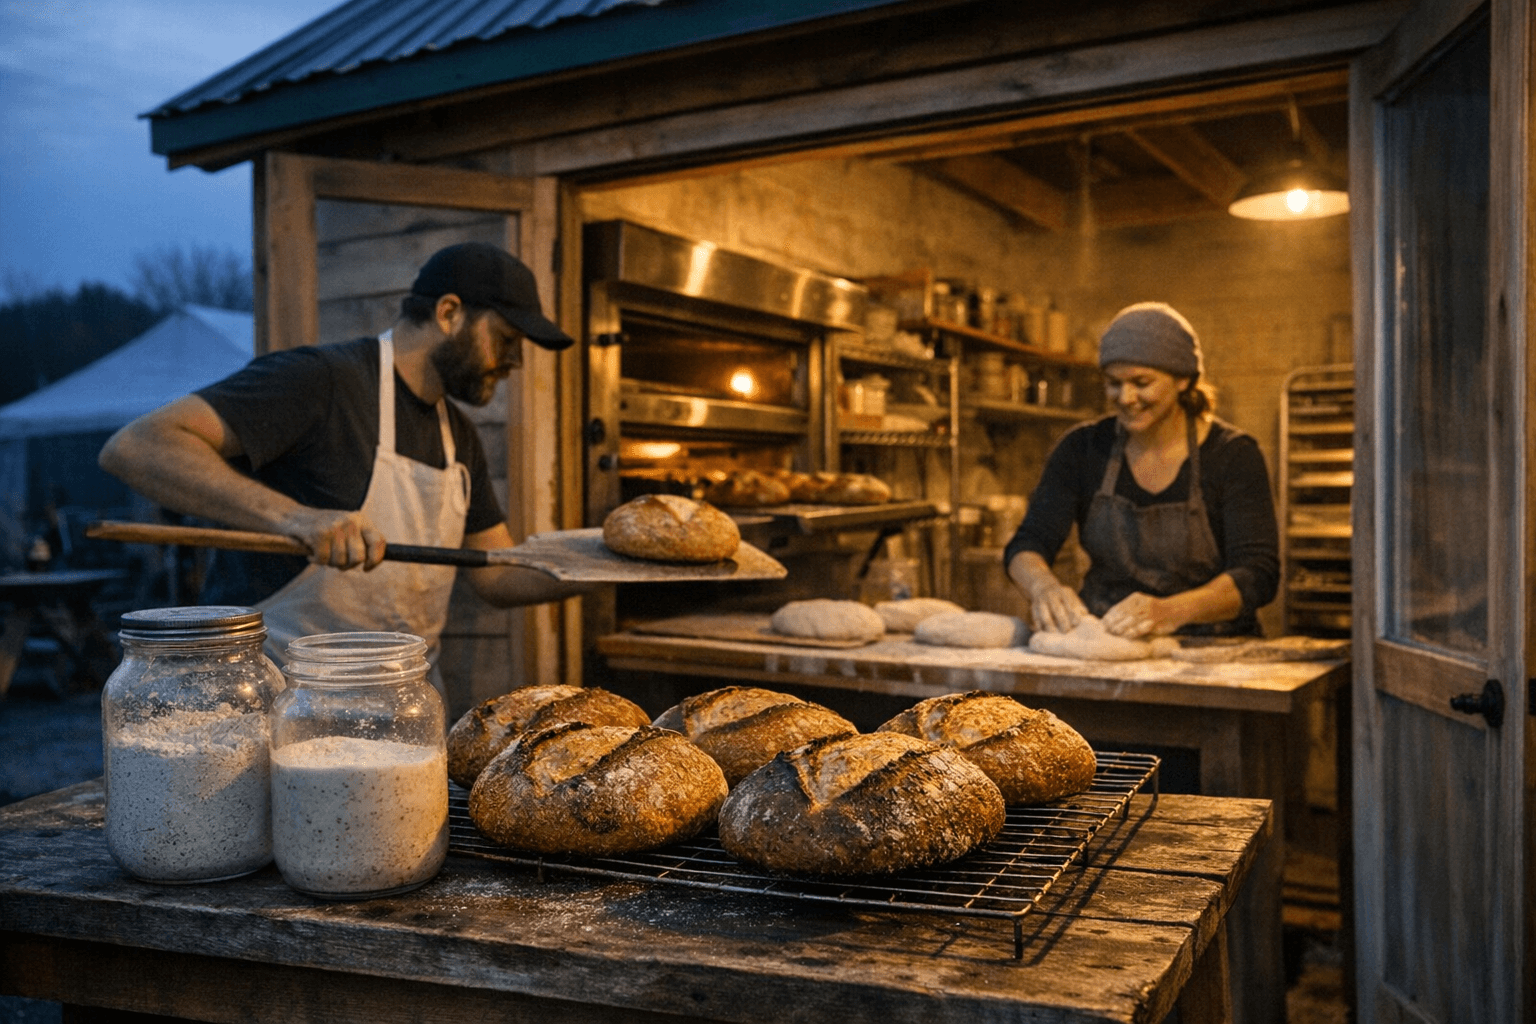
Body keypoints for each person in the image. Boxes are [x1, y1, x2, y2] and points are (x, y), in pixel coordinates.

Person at [99, 242, 596, 670]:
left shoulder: (458, 437)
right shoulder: (321, 381)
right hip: (278, 703)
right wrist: (296, 518)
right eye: (507, 339)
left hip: (401, 706)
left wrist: (604, 568)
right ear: (449, 313)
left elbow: (496, 573)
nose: (515, 360)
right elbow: (138, 446)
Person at [1003, 302, 1278, 639]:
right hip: (1110, 643)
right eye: (1114, 383)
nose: (1126, 397)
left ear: (1182, 379)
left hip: (1214, 649)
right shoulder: (1082, 449)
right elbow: (1027, 544)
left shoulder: (1233, 455)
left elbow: (1257, 575)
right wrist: (1043, 587)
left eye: (1142, 382)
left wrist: (1168, 612)